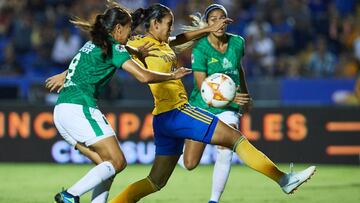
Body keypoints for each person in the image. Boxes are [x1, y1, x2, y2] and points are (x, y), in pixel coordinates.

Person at [108, 4, 316, 203]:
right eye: (168, 24)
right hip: (177, 111)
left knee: (155, 182)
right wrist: (118, 43)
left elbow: (182, 37)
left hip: (163, 118)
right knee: (235, 139)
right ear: (155, 24)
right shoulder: (139, 44)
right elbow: (111, 46)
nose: (170, 29)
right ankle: (283, 180)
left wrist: (208, 28)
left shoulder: (164, 43)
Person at [45, 4, 192, 203]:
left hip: (62, 111)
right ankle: (69, 195)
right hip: (79, 108)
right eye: (129, 30)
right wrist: (172, 75)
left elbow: (97, 59)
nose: (130, 34)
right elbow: (143, 76)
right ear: (117, 29)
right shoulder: (115, 46)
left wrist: (134, 51)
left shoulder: (95, 43)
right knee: (118, 161)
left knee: (107, 167)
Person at [176, 4, 252, 203]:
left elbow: (239, 69)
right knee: (189, 163)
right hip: (202, 105)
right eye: (213, 19)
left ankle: (214, 200)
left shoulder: (238, 42)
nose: (218, 22)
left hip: (228, 107)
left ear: (228, 21)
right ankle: (174, 150)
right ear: (207, 24)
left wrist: (244, 93)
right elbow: (202, 85)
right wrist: (231, 96)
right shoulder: (201, 47)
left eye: (222, 18)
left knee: (226, 148)